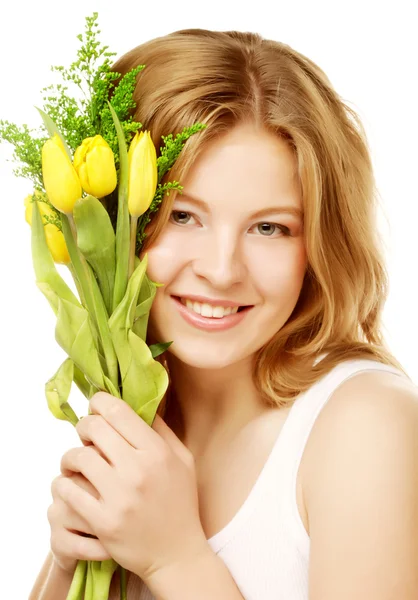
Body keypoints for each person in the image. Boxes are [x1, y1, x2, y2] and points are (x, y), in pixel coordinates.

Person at [30, 29, 418, 600]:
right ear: (108, 227)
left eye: (270, 227)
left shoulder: (364, 425)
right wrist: (67, 563)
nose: (221, 269)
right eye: (184, 216)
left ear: (318, 246)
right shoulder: (139, 424)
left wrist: (175, 559)